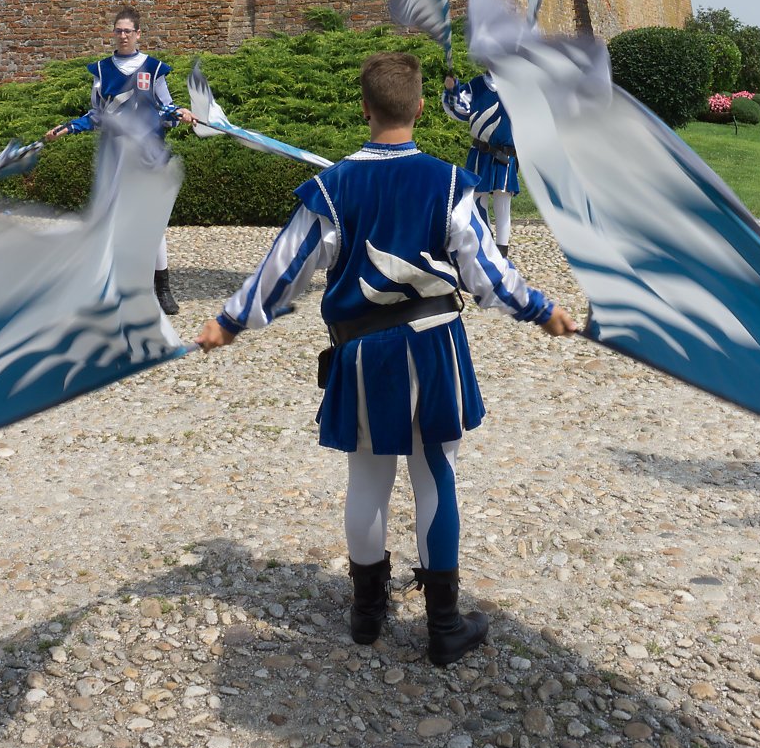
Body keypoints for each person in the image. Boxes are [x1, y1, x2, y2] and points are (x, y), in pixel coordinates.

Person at [194, 51, 578, 666]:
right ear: (421, 107)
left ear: (365, 108)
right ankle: (444, 626)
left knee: (368, 481)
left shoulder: (332, 188)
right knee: (435, 476)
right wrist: (541, 310)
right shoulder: (449, 183)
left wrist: (230, 322)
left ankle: (367, 615)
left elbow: (283, 271)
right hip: (434, 345)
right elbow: (488, 274)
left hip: (364, 353)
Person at [44, 6, 197, 314]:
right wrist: (69, 127)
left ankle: (162, 289)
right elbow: (97, 114)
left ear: (138, 34)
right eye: (118, 31)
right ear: (113, 33)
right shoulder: (102, 71)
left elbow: (165, 107)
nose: (123, 35)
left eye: (128, 31)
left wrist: (180, 113)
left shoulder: (153, 69)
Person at [443, 71, 519, 256]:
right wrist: (452, 89)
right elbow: (459, 109)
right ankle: (484, 244)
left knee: (502, 202)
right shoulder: (475, 86)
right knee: (477, 200)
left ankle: (502, 250)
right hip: (480, 153)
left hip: (505, 154)